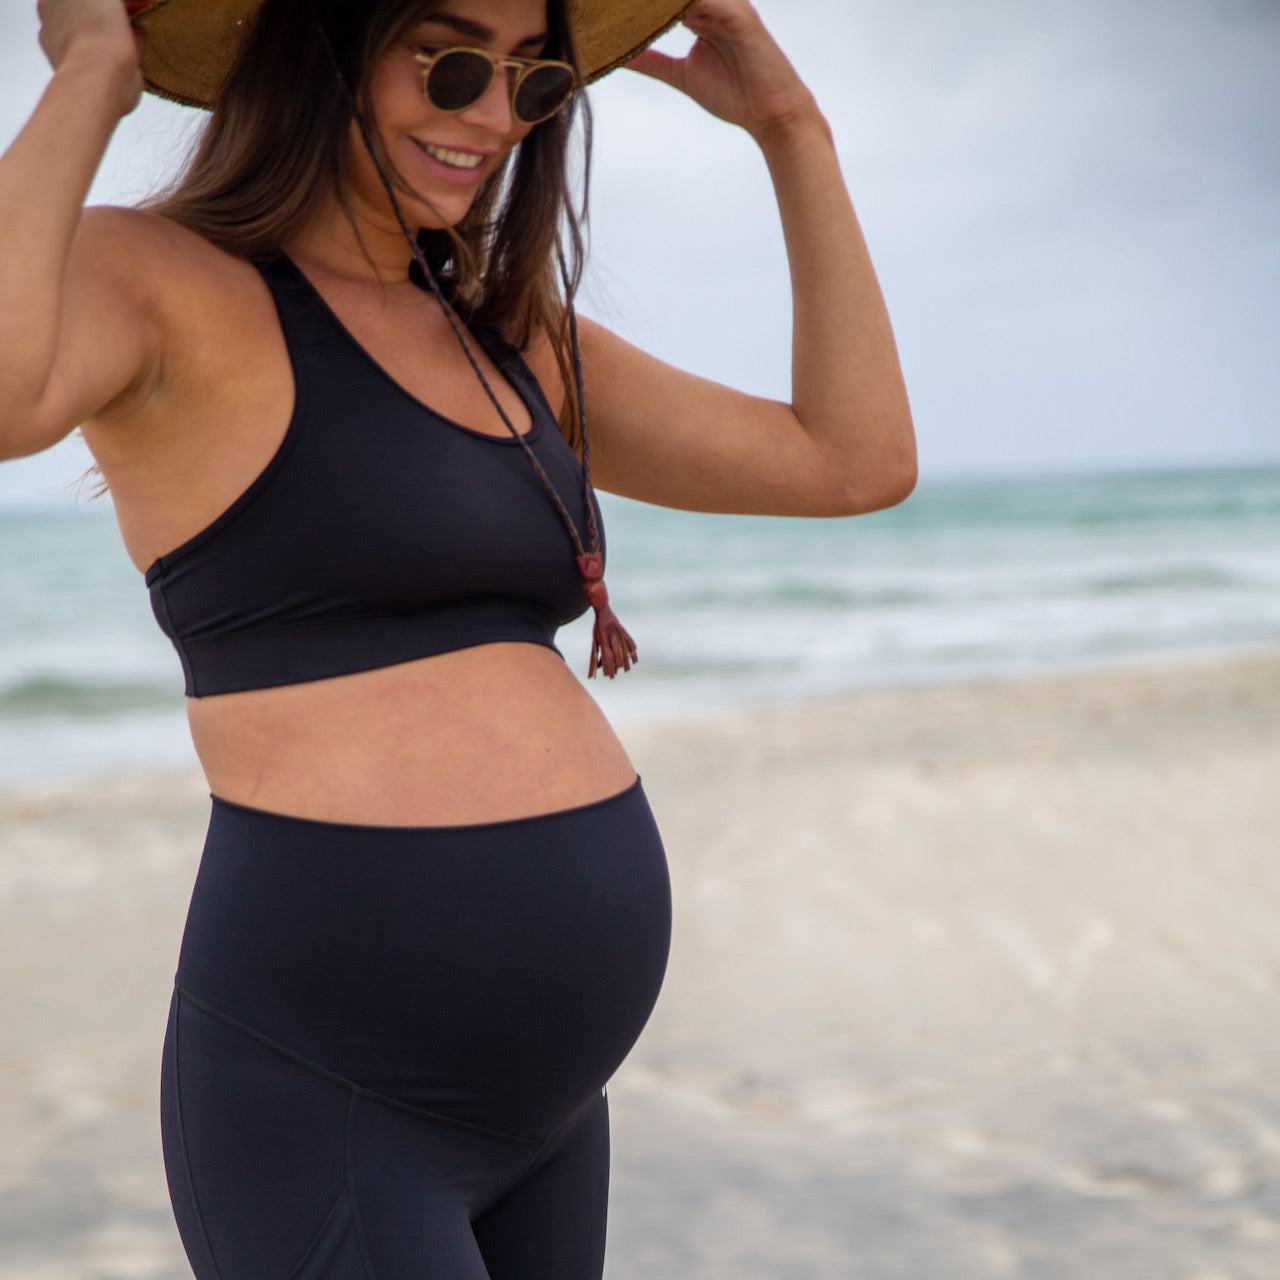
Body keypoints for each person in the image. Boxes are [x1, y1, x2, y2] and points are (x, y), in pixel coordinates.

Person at [1, 0, 916, 1275]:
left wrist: (790, 131)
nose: (490, 115)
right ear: (321, 47)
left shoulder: (509, 334)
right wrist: (94, 78)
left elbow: (853, 460)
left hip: (544, 1115)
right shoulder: (159, 282)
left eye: (532, 83)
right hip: (327, 1097)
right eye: (449, 62)